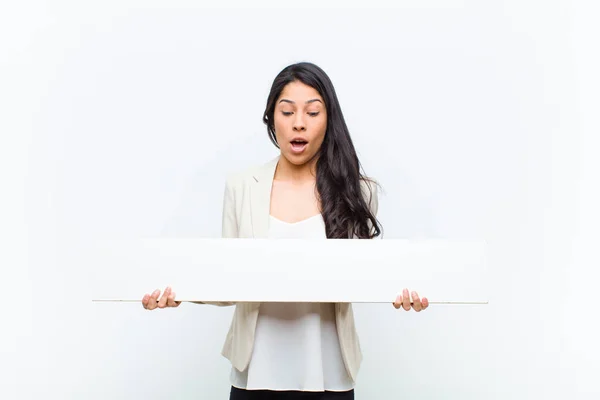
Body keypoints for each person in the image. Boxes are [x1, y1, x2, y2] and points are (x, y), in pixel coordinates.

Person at [141, 62, 429, 399]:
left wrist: (406, 290)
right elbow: (228, 278)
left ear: (328, 119)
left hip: (329, 374)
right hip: (255, 372)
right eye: (287, 111)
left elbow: (365, 275)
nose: (299, 123)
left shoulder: (357, 191)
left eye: (313, 112)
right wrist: (176, 291)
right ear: (271, 118)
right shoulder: (242, 186)